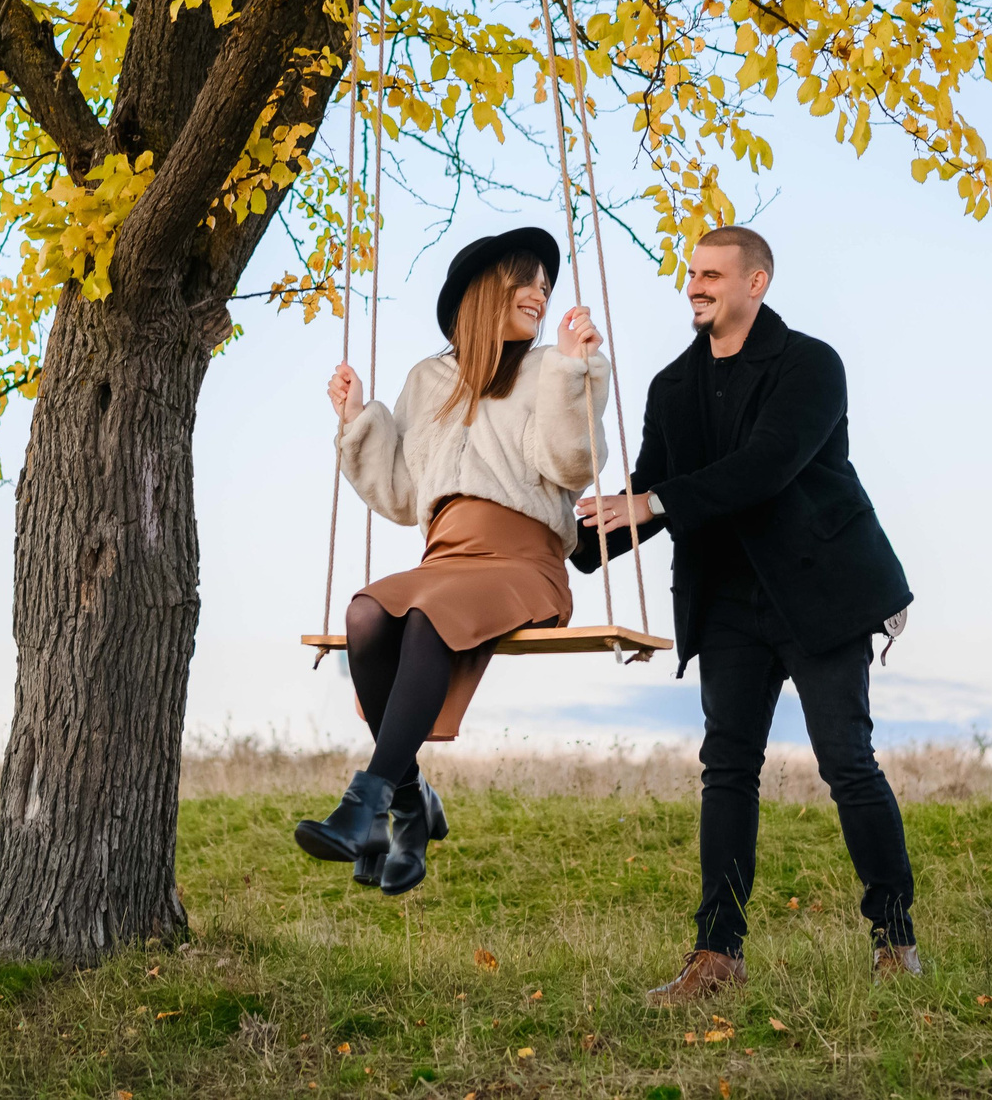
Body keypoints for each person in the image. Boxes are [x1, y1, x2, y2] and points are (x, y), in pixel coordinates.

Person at [576, 224, 919, 998]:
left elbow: (765, 467)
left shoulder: (810, 365)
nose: (694, 286)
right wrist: (561, 538)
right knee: (726, 769)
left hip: (819, 594)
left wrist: (651, 498)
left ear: (755, 283)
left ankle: (894, 938)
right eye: (690, 273)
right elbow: (648, 501)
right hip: (726, 601)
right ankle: (716, 955)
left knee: (846, 762)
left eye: (711, 275)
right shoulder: (671, 386)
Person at [293, 225, 609, 895]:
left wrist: (574, 373)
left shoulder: (545, 367)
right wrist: (357, 421)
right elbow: (404, 495)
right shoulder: (428, 380)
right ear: (482, 291)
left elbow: (571, 463)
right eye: (525, 280)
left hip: (525, 561)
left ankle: (371, 801)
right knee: (369, 611)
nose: (539, 293)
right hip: (445, 556)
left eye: (545, 286)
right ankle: (411, 801)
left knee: (428, 615)